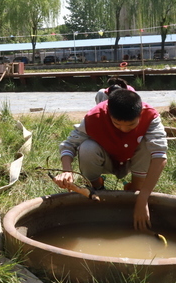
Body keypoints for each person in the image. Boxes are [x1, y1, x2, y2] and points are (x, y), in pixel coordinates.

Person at [54, 90, 168, 232]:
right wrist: (67, 171)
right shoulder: (94, 117)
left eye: (131, 125)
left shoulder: (151, 116)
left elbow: (160, 156)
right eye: (117, 124)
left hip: (132, 159)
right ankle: (96, 188)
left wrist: (143, 198)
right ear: (108, 114)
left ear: (140, 114)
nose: (124, 129)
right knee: (87, 147)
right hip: (106, 159)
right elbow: (68, 145)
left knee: (147, 145)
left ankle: (136, 190)